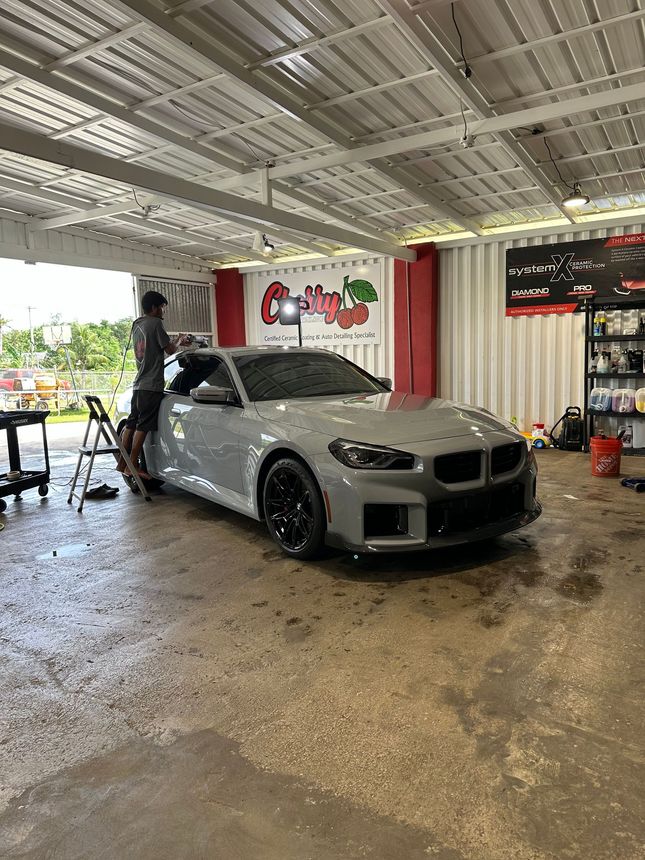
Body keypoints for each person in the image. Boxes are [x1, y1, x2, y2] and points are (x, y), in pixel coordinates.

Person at [117, 290, 189, 479]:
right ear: (154, 308)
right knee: (143, 426)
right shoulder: (155, 323)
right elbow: (170, 349)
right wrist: (180, 340)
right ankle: (133, 465)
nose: (163, 311)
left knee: (131, 423)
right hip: (151, 385)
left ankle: (122, 463)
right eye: (161, 307)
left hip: (138, 384)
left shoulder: (137, 324)